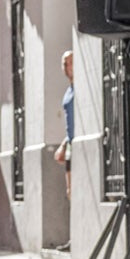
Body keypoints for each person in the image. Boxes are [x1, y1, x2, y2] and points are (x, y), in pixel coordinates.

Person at [56, 49, 75, 194]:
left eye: (71, 62)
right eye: (66, 63)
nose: (69, 66)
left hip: (78, 142)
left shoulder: (79, 90)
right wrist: (64, 144)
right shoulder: (68, 91)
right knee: (70, 190)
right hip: (70, 144)